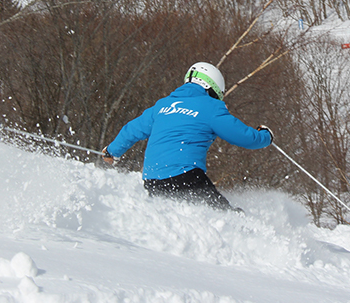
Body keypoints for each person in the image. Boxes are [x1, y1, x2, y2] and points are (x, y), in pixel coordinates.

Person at [102, 62, 274, 210]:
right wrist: (265, 136)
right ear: (211, 88)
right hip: (185, 176)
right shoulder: (211, 107)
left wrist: (112, 151)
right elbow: (244, 137)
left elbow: (131, 130)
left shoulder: (162, 106)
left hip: (152, 180)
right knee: (226, 217)